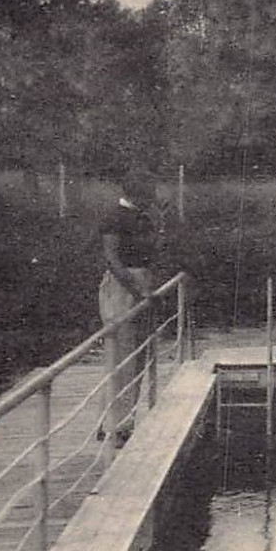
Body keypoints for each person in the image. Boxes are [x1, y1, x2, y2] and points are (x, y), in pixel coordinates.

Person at [99, 166, 162, 444]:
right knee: (121, 355)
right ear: (136, 192)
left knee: (137, 354)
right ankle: (116, 425)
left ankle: (121, 419)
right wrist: (136, 290)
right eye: (148, 193)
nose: (153, 197)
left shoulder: (143, 217)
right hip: (123, 286)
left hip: (142, 282)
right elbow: (112, 260)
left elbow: (151, 251)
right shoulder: (115, 218)